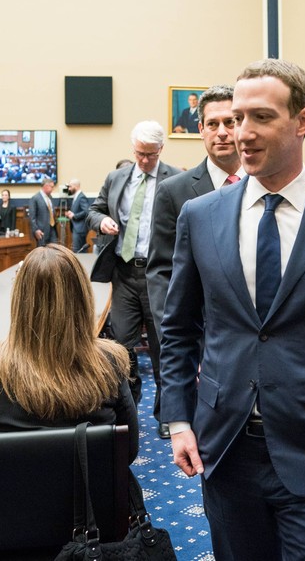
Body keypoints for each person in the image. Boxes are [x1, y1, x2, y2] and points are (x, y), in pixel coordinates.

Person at [160, 59, 305, 560]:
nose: (241, 133)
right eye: (236, 117)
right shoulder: (199, 217)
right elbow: (179, 328)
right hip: (226, 446)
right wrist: (178, 419)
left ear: (303, 122)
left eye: (260, 118)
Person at [0, 245, 139, 462]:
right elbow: (128, 451)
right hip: (93, 495)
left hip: (8, 495)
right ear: (83, 297)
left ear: (19, 299)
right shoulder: (110, 362)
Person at [146, 84, 243, 438]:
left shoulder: (267, 184)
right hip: (201, 337)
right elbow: (161, 272)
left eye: (230, 122)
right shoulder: (175, 191)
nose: (222, 132)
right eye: (213, 123)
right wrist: (180, 341)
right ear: (200, 129)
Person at [87, 121, 181, 414]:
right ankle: (129, 406)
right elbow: (93, 210)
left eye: (150, 155)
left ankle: (166, 412)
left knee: (162, 348)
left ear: (161, 150)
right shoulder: (117, 178)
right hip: (124, 274)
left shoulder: (176, 179)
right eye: (140, 153)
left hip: (160, 276)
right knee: (122, 348)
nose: (144, 160)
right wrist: (101, 222)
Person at [28, 179, 57, 246]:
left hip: (52, 229)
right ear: (46, 186)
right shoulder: (35, 198)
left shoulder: (50, 197)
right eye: (52, 187)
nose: (53, 189)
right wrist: (36, 230)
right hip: (41, 231)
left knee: (54, 250)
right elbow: (32, 217)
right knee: (43, 253)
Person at [65, 179, 90, 253]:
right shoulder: (77, 196)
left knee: (78, 251)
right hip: (77, 228)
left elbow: (87, 211)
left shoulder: (81, 197)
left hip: (80, 229)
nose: (69, 189)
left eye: (70, 186)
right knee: (79, 251)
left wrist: (74, 216)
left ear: (76, 186)